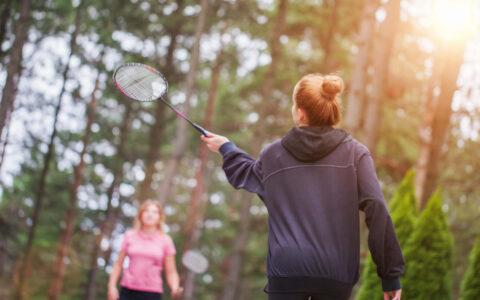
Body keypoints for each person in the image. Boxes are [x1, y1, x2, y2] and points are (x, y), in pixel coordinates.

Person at [201, 73, 405, 300]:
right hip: (336, 272)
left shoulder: (273, 155)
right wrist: (390, 274)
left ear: (300, 112)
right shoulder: (356, 154)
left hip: (287, 270)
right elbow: (376, 207)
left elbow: (250, 174)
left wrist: (227, 148)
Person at [108, 200, 183, 300]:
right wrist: (111, 287)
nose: (150, 214)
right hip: (127, 290)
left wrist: (174, 287)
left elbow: (171, 271)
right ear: (140, 214)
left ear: (159, 217)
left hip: (151, 293)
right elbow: (118, 264)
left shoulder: (166, 240)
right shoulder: (130, 236)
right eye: (146, 211)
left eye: (154, 212)